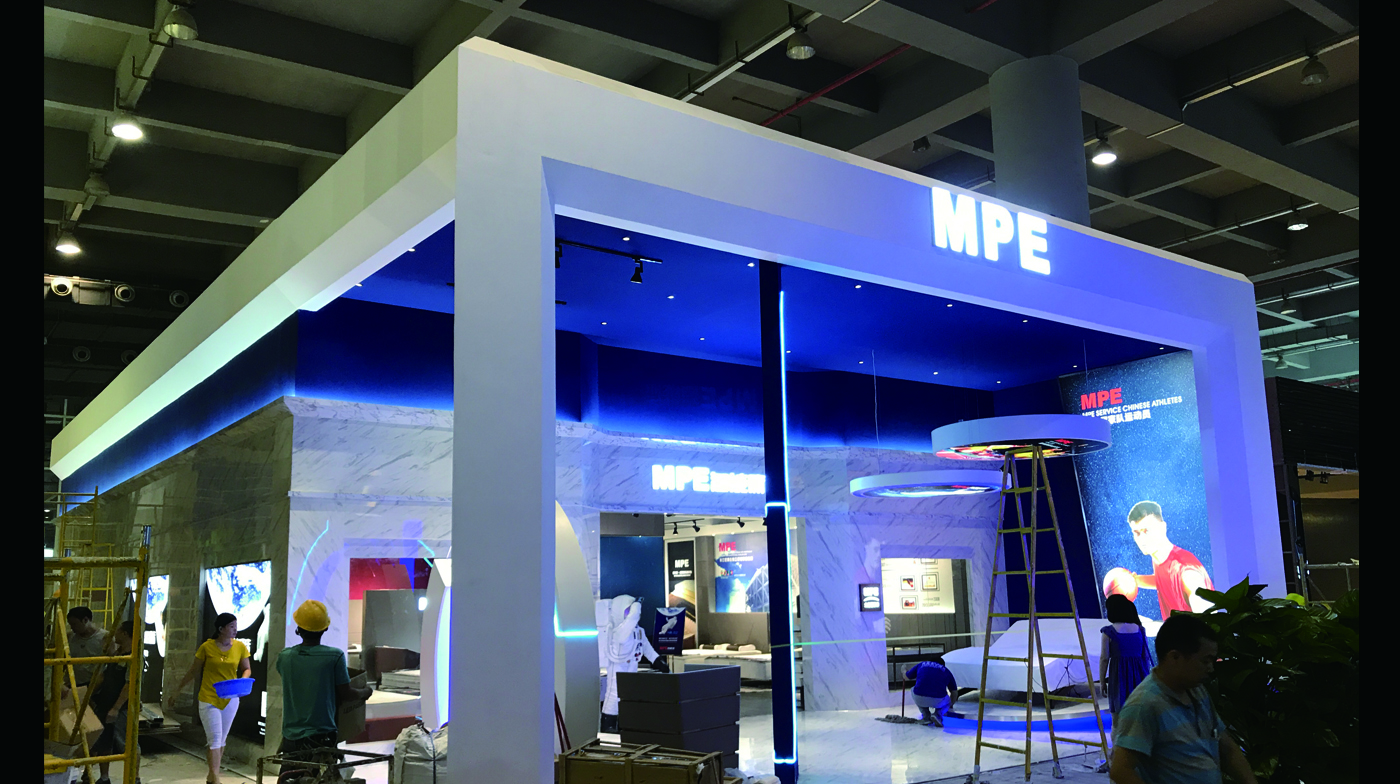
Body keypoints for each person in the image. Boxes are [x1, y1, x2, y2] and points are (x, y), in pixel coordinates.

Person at [1109, 614, 1258, 784]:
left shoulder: (1197, 691)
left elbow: (1227, 749)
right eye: (1205, 661)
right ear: (1175, 657)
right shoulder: (1144, 705)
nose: (1211, 668)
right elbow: (1121, 771)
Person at [276, 600, 373, 780]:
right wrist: (365, 693)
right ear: (325, 628)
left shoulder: (285, 657)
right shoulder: (334, 657)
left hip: (290, 737)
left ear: (298, 628)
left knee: (289, 778)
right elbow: (346, 693)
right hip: (321, 737)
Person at [168, 612, 251, 784]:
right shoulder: (206, 647)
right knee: (214, 740)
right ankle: (216, 778)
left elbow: (246, 669)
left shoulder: (240, 647)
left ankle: (211, 776)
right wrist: (177, 690)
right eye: (231, 626)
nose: (235, 630)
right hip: (209, 697)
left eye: (236, 626)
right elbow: (194, 670)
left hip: (230, 698)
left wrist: (242, 681)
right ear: (221, 629)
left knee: (221, 740)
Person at [1104, 501, 1214, 617]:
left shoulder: (1188, 573)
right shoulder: (1159, 557)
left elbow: (1209, 621)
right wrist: (1137, 581)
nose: (1142, 539)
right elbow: (1166, 579)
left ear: (1162, 528)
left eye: (1146, 531)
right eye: (1137, 533)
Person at [90, 622, 138, 784]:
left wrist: (116, 708)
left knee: (127, 743)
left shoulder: (133, 656)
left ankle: (134, 778)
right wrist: (88, 694)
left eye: (117, 631)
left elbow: (129, 685)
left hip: (122, 707)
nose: (114, 634)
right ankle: (104, 777)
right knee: (104, 742)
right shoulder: (117, 653)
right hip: (105, 704)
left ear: (125, 634)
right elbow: (104, 676)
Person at [1100, 594, 1154, 721]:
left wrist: (1102, 682)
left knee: (1118, 718)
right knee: (1141, 715)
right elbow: (1145, 656)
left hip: (1118, 678)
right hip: (1140, 677)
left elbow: (1104, 658)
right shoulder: (1140, 630)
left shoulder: (1108, 632)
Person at [903, 654, 958, 727]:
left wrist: (903, 669)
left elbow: (906, 677)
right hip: (938, 699)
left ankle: (926, 716)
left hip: (919, 697)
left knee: (913, 689)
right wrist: (950, 705)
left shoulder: (922, 664)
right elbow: (954, 692)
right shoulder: (946, 670)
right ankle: (938, 714)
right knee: (948, 701)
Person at [67, 606, 109, 687]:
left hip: (94, 684)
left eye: (74, 624)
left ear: (85, 620)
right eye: (70, 625)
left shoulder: (105, 637)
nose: (72, 628)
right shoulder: (70, 637)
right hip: (73, 683)